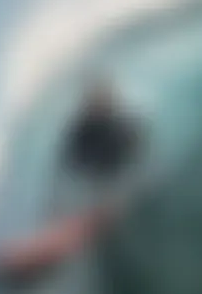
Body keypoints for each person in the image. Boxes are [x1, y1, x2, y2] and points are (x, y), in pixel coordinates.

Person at [48, 77, 146, 218]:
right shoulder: (82, 128)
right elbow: (69, 160)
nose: (96, 107)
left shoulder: (121, 127)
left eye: (100, 102)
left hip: (115, 181)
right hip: (93, 182)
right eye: (93, 103)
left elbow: (134, 154)